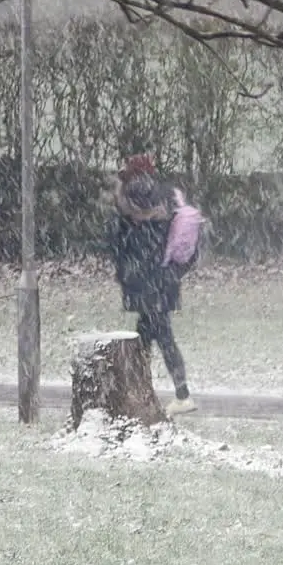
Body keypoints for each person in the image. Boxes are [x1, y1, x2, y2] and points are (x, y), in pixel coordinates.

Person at [107, 153, 198, 417]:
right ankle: (143, 394)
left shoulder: (137, 194)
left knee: (157, 338)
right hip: (162, 279)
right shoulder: (165, 195)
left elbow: (129, 237)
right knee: (146, 338)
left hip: (149, 282)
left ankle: (175, 396)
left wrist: (118, 200)